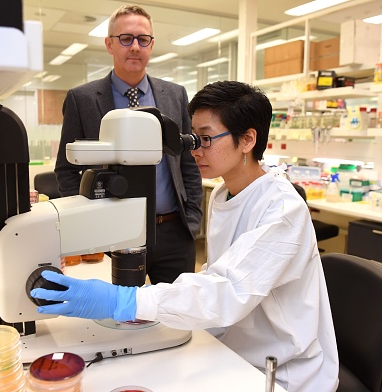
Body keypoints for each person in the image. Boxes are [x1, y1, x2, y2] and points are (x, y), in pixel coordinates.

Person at [34, 80, 339, 391]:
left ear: (247, 139)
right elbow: (218, 275)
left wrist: (124, 300)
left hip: (281, 369)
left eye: (205, 139)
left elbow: (227, 291)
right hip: (234, 346)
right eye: (194, 139)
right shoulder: (226, 193)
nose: (195, 150)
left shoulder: (283, 210)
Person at [54, 4, 203, 284]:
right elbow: (66, 170)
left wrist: (191, 222)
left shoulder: (175, 95)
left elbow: (188, 161)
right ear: (109, 44)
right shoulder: (83, 99)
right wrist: (89, 225)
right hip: (112, 233)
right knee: (117, 319)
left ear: (151, 44)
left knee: (178, 319)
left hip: (172, 232)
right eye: (126, 38)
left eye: (142, 39)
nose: (135, 46)